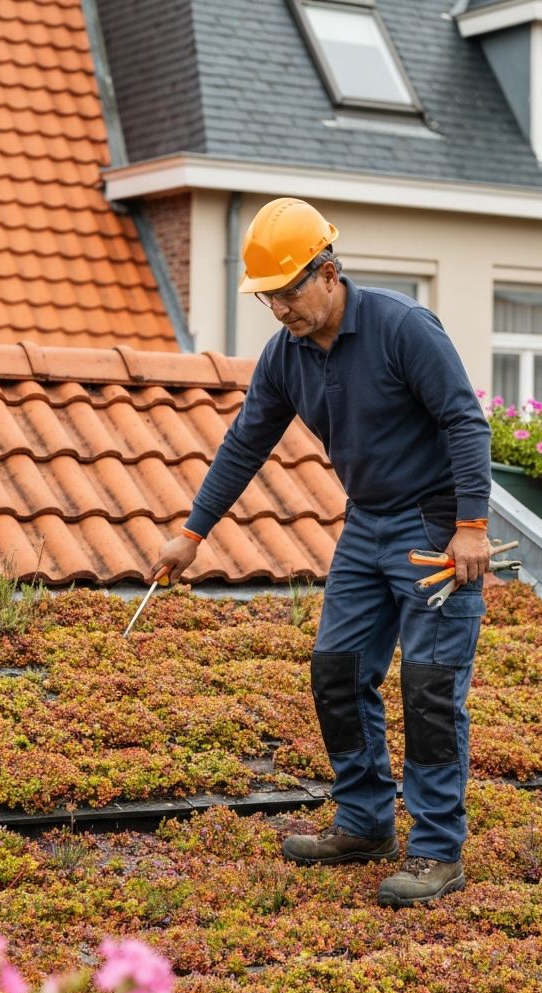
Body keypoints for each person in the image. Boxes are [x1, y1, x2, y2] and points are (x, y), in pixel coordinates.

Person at [152, 197, 492, 907]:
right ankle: (366, 822)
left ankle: (436, 850)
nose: (278, 309)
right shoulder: (287, 356)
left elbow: (464, 420)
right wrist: (192, 533)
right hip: (366, 525)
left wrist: (471, 525)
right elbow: (246, 441)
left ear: (329, 273)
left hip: (431, 525)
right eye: (268, 298)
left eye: (287, 293)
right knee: (336, 671)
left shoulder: (403, 329)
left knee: (429, 691)